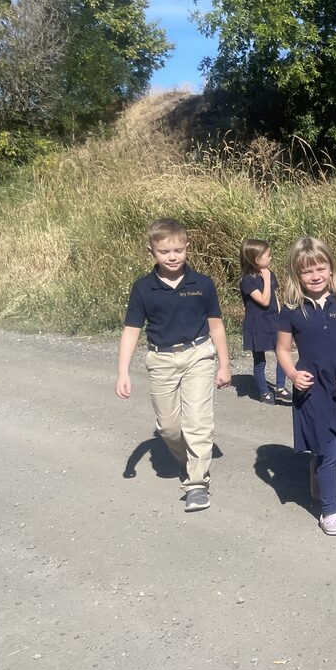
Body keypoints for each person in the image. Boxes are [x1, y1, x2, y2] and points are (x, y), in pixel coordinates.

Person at [116, 217, 231, 512]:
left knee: (198, 422)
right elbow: (131, 330)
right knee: (168, 427)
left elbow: (216, 326)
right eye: (164, 251)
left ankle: (197, 483)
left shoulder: (202, 284)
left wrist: (224, 364)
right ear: (152, 251)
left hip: (198, 355)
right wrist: (123, 371)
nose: (172, 257)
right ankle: (186, 460)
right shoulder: (143, 288)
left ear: (187, 248)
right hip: (161, 360)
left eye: (178, 250)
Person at [276, 237, 336, 536]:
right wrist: (292, 373)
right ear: (296, 274)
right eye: (307, 271)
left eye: (320, 268)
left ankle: (318, 469)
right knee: (328, 449)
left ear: (331, 268)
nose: (315, 276)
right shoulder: (291, 309)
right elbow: (282, 349)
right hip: (311, 388)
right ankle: (330, 510)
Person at [239, 238, 289, 405]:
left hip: (273, 320)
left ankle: (280, 387)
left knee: (282, 352)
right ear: (256, 259)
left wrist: (281, 316)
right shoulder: (247, 280)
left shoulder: (270, 274)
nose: (270, 258)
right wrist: (266, 280)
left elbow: (274, 298)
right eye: (267, 255)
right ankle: (264, 392)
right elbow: (264, 301)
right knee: (260, 360)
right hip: (257, 323)